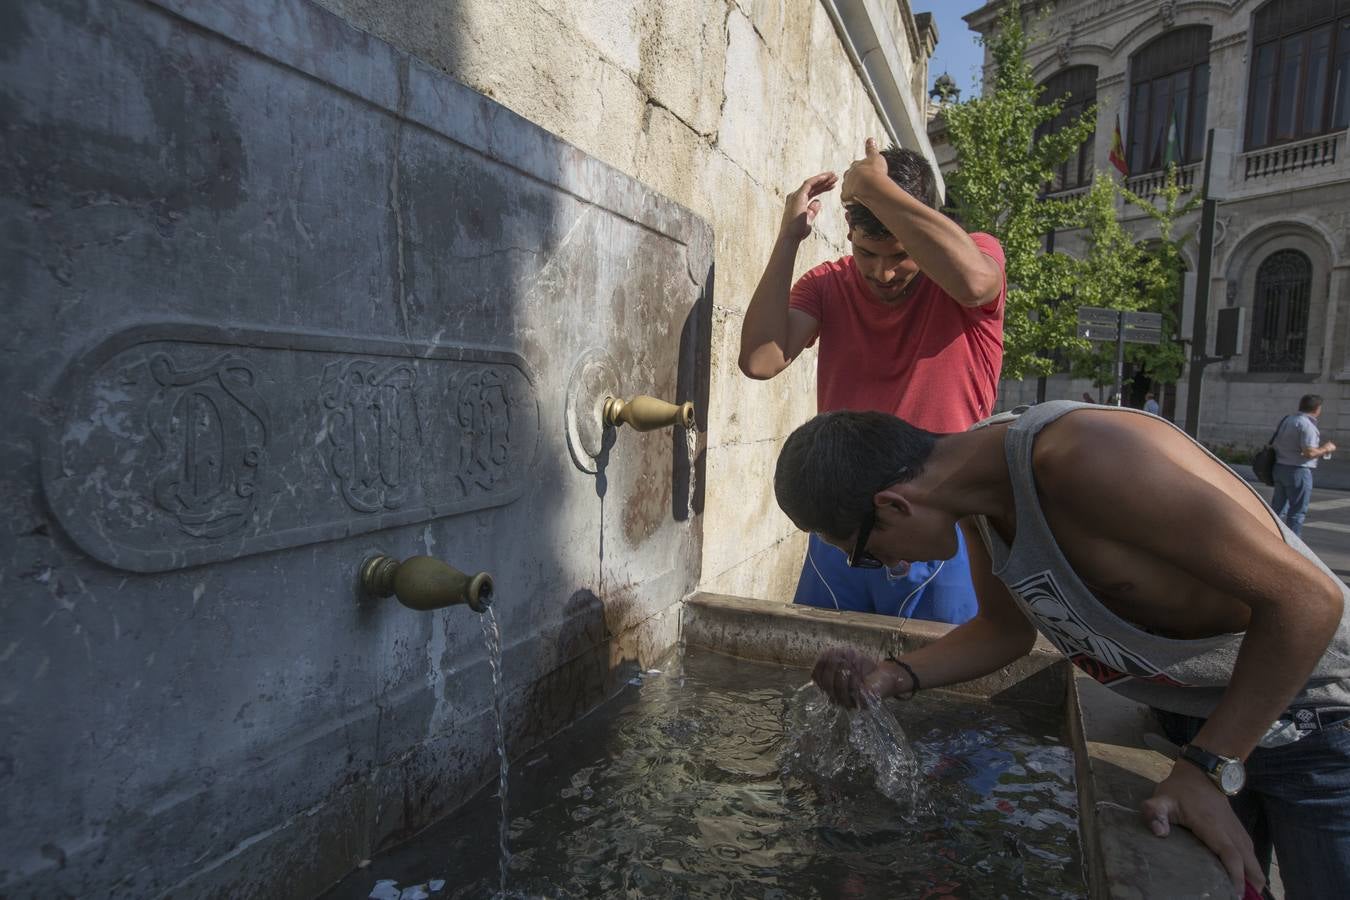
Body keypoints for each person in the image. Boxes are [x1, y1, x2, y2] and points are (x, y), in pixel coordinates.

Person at [774, 401, 1350, 899]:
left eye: (866, 555)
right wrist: (889, 677)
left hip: (1316, 722)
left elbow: (1309, 600)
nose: (890, 570)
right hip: (1199, 722)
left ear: (894, 505)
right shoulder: (979, 496)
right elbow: (1003, 631)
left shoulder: (1083, 458)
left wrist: (1208, 766)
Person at [738, 138, 1005, 624]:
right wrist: (788, 238)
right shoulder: (826, 285)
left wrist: (873, 186)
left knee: (940, 682)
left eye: (900, 255)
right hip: (842, 520)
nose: (882, 273)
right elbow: (760, 360)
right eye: (866, 254)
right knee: (826, 675)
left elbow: (975, 283)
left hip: (942, 519)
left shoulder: (976, 258)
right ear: (848, 232)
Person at [1271, 394, 1336, 537]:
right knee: (1297, 513)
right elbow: (1309, 452)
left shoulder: (1288, 420)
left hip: (1280, 466)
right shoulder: (1307, 425)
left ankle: (1269, 537)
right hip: (1298, 471)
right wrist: (1326, 448)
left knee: (1277, 510)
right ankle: (1295, 547)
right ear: (1317, 409)